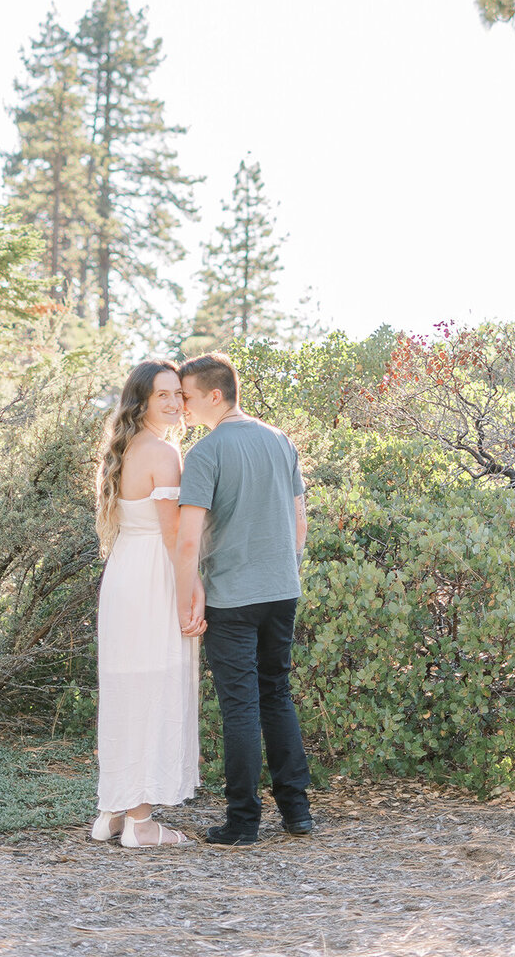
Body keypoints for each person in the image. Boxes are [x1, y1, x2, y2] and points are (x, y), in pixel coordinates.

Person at [174, 353, 313, 845]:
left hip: (231, 597)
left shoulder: (206, 453)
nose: (183, 406)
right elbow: (300, 522)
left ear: (215, 395)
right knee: (276, 693)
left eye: (187, 397)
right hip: (282, 590)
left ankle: (243, 822)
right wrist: (283, 571)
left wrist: (184, 595)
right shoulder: (280, 439)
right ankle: (297, 813)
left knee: (240, 706)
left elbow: (188, 539)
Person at [92, 359, 204, 848]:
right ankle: (141, 822)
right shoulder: (162, 453)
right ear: (142, 400)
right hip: (154, 575)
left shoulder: (122, 448)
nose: (177, 403)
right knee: (153, 684)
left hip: (123, 574)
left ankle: (110, 813)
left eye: (179, 394)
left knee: (125, 685)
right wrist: (189, 599)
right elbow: (175, 534)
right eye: (164, 395)